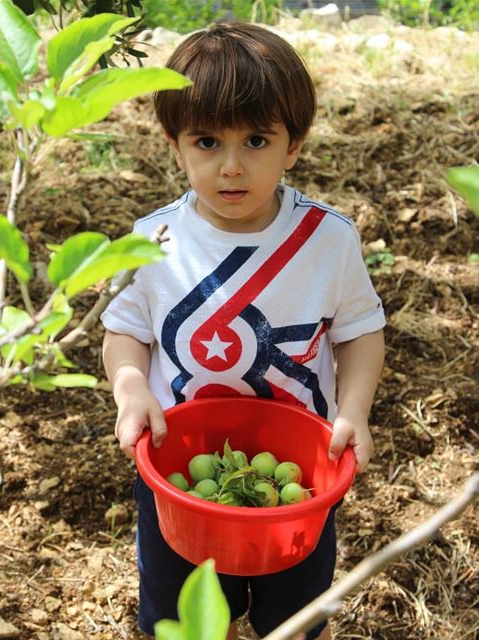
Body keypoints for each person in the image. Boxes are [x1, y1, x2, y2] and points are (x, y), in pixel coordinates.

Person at [101, 21, 385, 640]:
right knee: (185, 617)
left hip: (298, 479)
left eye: (257, 140)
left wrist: (356, 410)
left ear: (294, 145)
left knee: (295, 615)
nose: (232, 167)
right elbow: (125, 330)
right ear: (175, 145)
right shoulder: (151, 242)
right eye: (207, 141)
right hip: (182, 481)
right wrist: (131, 390)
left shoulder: (327, 240)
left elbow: (360, 332)